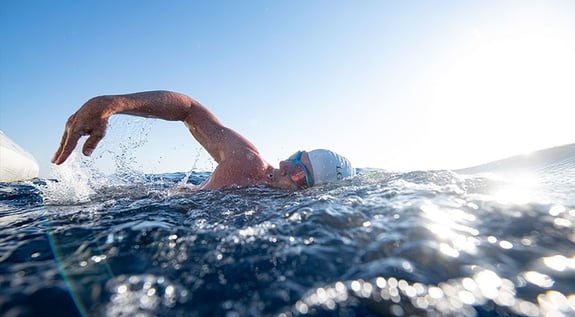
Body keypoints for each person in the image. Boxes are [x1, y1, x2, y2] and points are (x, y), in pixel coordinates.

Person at [52, 90, 354, 190]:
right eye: (296, 154)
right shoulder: (246, 161)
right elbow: (189, 110)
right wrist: (112, 104)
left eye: (299, 171)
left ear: (310, 195)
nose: (285, 162)